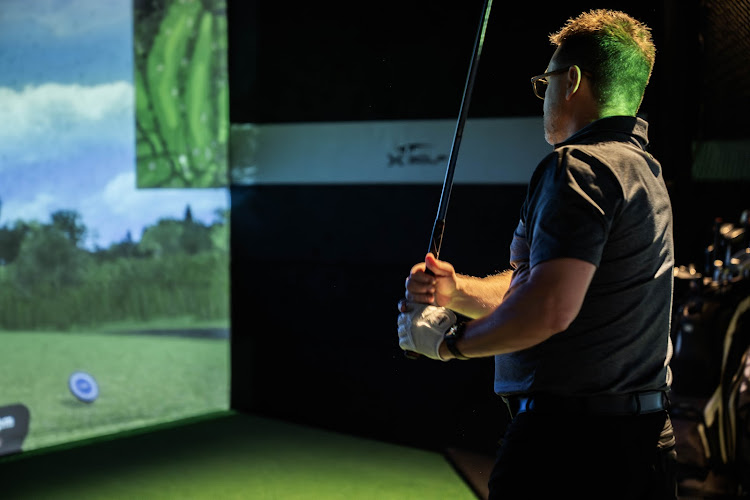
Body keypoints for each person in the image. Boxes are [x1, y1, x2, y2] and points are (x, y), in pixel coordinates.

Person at [396, 9, 677, 499]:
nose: (542, 94)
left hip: (568, 452)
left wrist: (450, 344)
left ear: (572, 81)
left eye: (545, 81)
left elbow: (548, 308)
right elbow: (541, 282)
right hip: (639, 446)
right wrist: (455, 291)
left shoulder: (577, 166)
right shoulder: (641, 168)